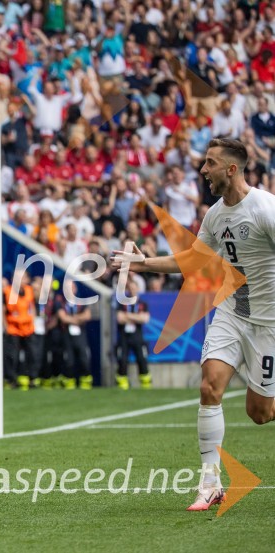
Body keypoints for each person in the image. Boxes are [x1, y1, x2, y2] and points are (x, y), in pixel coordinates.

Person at [112, 138, 275, 512]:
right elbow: (193, 261)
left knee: (260, 414)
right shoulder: (216, 214)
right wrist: (140, 263)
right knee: (209, 385)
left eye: (210, 163)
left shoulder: (265, 209)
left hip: (269, 323)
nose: (203, 170)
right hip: (233, 313)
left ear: (231, 169)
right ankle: (210, 483)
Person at [115, 279, 151, 390]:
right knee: (123, 359)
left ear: (137, 289)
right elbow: (119, 318)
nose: (132, 290)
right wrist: (136, 317)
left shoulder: (143, 304)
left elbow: (144, 319)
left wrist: (128, 316)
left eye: (134, 288)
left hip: (137, 336)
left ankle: (145, 385)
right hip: (124, 336)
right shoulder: (122, 303)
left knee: (141, 359)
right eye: (130, 288)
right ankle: (122, 385)